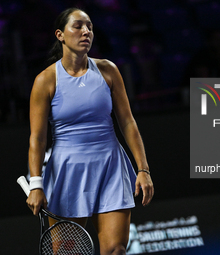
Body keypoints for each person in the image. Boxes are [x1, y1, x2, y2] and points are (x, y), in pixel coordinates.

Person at [26, 7, 154, 255]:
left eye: (90, 27)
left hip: (111, 167)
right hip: (67, 172)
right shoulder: (45, 80)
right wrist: (36, 183)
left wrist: (143, 169)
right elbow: (37, 138)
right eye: (78, 26)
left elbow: (127, 122)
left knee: (116, 249)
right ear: (60, 35)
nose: (86, 31)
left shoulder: (108, 70)